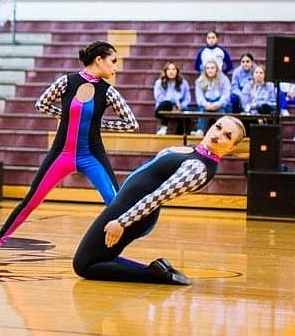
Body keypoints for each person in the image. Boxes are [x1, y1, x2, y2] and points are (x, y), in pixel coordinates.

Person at [0, 41, 139, 258]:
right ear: (99, 60)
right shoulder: (67, 82)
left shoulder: (109, 91)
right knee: (32, 200)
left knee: (116, 204)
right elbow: (41, 104)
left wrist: (98, 124)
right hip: (61, 155)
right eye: (113, 61)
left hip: (92, 156)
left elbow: (132, 123)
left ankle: (110, 252)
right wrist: (65, 115)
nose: (115, 68)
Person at [73, 116, 246, 285]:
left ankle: (155, 275)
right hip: (126, 205)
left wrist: (121, 222)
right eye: (218, 127)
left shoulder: (199, 168)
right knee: (97, 258)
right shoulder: (195, 152)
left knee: (84, 265)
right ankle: (160, 270)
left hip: (133, 212)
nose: (218, 134)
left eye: (227, 136)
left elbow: (157, 196)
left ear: (231, 148)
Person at [192, 60, 231, 136]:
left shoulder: (224, 80)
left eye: (212, 68)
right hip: (206, 104)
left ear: (216, 69)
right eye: (208, 68)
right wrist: (206, 104)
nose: (210, 70)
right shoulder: (200, 81)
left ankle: (223, 131)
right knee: (203, 110)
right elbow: (199, 97)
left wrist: (218, 104)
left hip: (220, 104)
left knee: (222, 110)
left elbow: (226, 95)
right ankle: (200, 131)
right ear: (205, 70)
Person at [152, 62, 191, 135]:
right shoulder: (159, 82)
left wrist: (180, 106)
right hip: (163, 107)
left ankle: (178, 136)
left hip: (179, 108)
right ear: (165, 71)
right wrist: (173, 105)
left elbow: (187, 99)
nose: (171, 71)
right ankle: (163, 127)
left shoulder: (183, 82)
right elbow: (159, 97)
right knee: (167, 103)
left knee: (187, 117)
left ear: (177, 71)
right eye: (169, 69)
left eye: (173, 69)